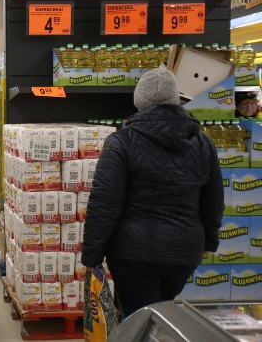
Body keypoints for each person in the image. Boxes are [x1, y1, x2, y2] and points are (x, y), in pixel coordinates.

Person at [81, 68, 224, 318]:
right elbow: (213, 200)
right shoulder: (203, 144)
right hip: (184, 250)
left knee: (139, 317)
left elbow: (104, 204)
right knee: (160, 314)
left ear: (139, 102)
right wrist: (210, 240)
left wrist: (92, 254)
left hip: (133, 253)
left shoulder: (121, 142)